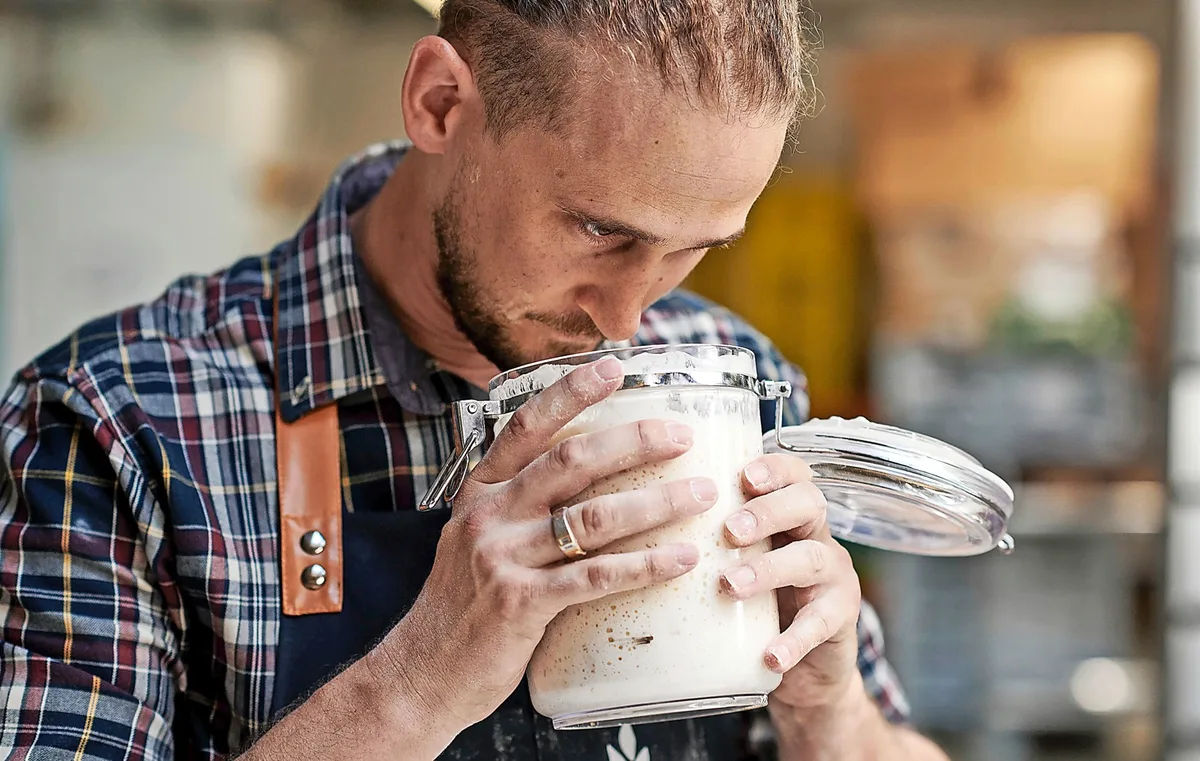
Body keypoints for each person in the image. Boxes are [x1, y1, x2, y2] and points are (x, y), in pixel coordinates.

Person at [0, 1, 950, 759]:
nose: (626, 323)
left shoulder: (733, 391)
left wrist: (831, 713)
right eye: (599, 231)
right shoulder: (116, 427)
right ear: (441, 104)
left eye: (690, 251)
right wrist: (415, 683)